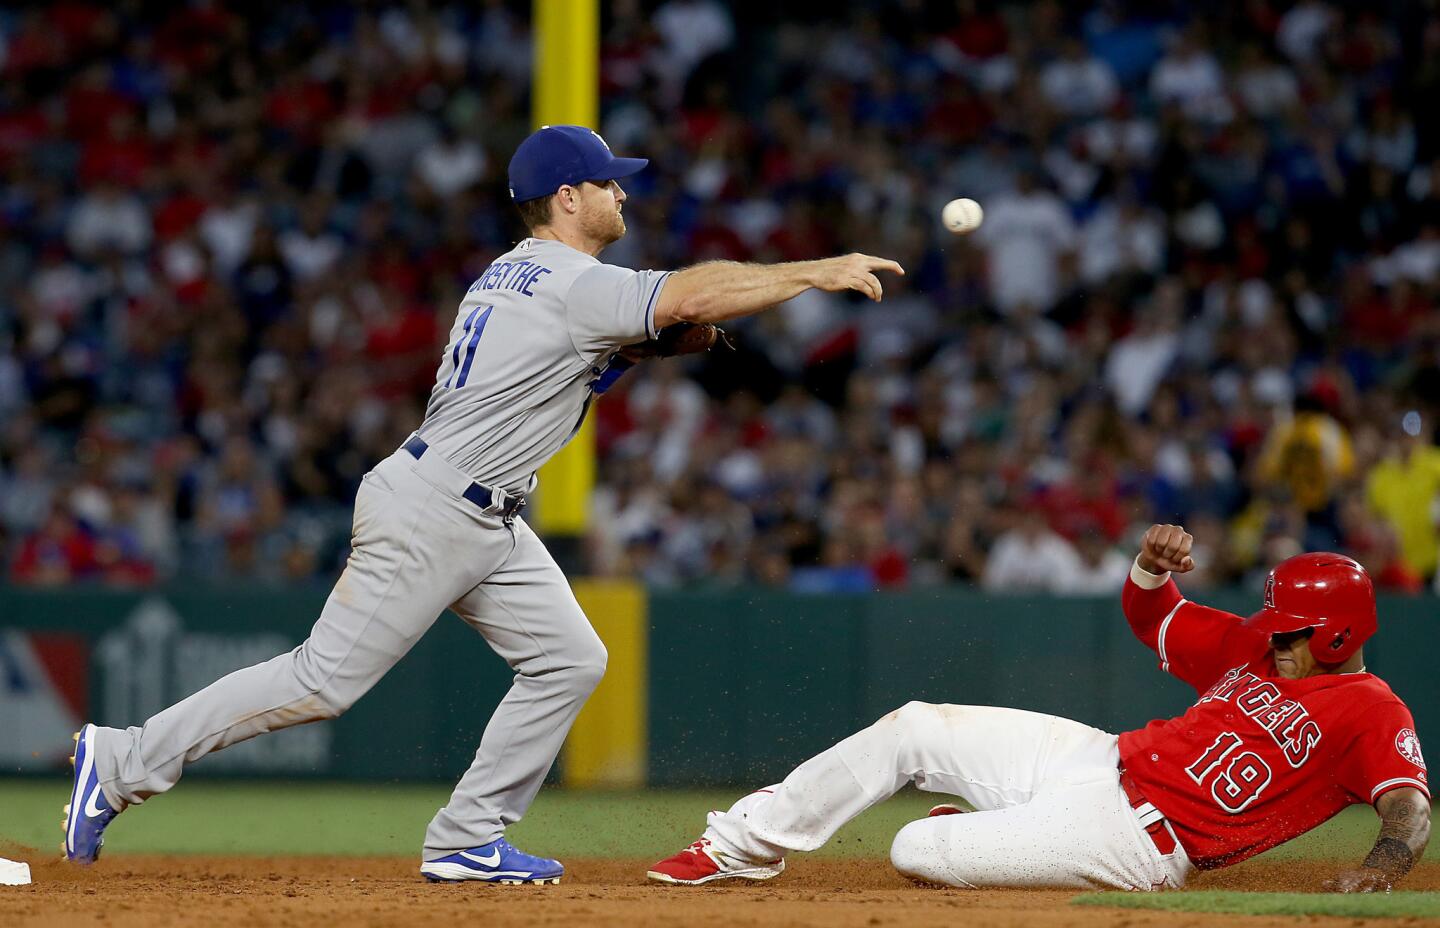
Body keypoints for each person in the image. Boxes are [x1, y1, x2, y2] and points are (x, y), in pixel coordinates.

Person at [63, 124, 904, 883]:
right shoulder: (574, 280)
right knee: (320, 682)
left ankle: (467, 836)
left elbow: (586, 354)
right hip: (436, 510)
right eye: (610, 182)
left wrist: (647, 349)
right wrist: (812, 271)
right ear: (568, 198)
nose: (624, 193)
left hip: (482, 514)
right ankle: (124, 759)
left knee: (570, 660)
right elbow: (684, 296)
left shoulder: (511, 275)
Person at [648, 523, 1430, 892]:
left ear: (1339, 632)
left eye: (1291, 629)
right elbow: (1153, 616)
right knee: (916, 724)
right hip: (1101, 759)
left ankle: (984, 837)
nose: (1273, 637)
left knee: (915, 853)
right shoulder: (1257, 649)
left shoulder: (1369, 709)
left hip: (1141, 843)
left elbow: (1407, 811)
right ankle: (744, 843)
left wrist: (1383, 871)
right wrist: (1150, 568)